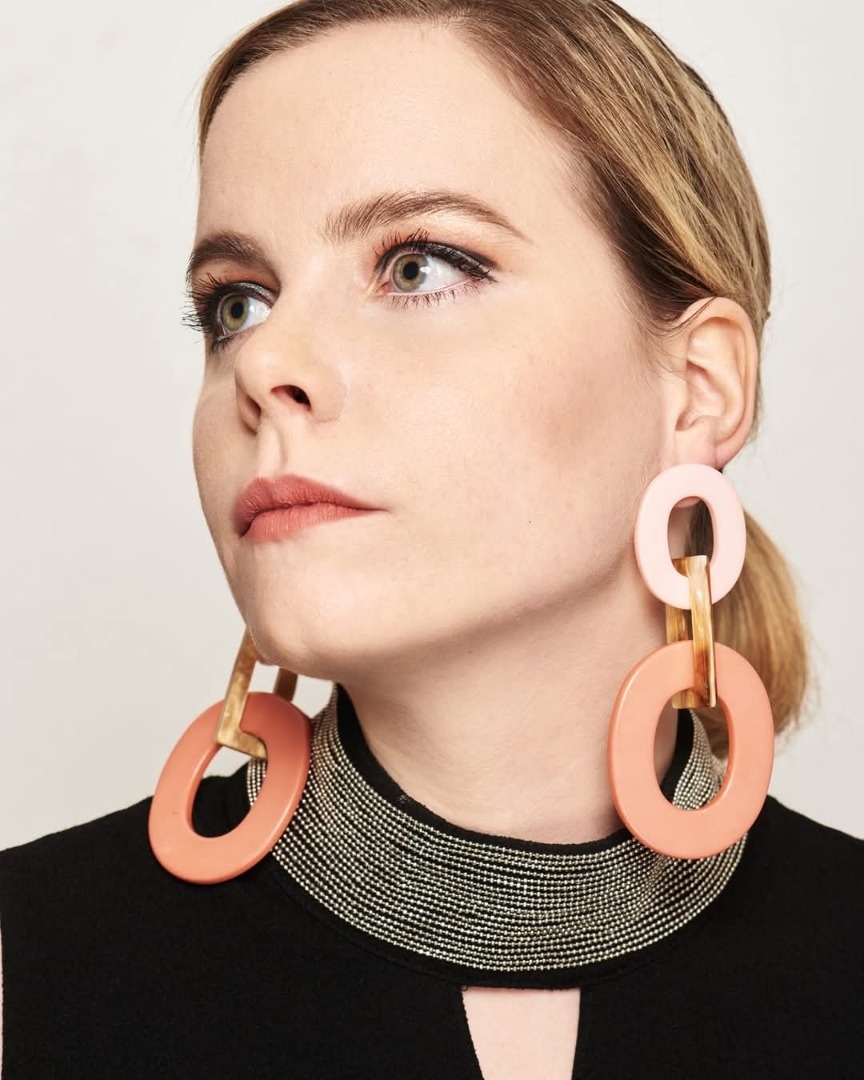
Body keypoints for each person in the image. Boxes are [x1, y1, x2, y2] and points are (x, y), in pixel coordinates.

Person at [0, 0, 861, 1077]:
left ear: (698, 388)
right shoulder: (23, 974)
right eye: (236, 304)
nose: (264, 364)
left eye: (419, 266)